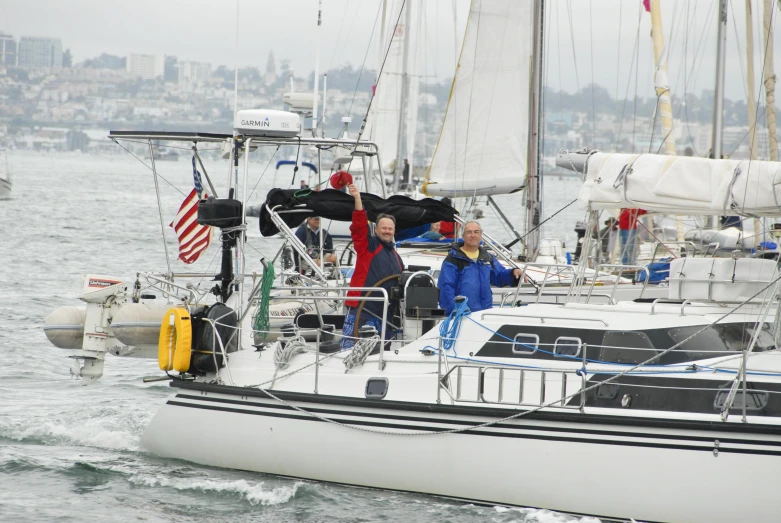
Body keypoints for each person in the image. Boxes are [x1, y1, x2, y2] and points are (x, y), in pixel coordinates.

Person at [342, 183, 404, 349]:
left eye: (390, 228)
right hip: (362, 310)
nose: (387, 231)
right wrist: (357, 198)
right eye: (383, 228)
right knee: (351, 350)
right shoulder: (367, 246)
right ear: (376, 230)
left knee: (381, 353)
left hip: (385, 314)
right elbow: (359, 226)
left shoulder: (397, 257)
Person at [437, 221, 522, 314]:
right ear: (463, 236)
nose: (473, 235)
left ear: (481, 235)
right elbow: (446, 288)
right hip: (463, 315)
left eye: (476, 232)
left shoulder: (487, 257)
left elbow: (498, 276)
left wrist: (513, 273)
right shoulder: (452, 260)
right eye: (469, 232)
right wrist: (454, 311)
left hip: (484, 314)